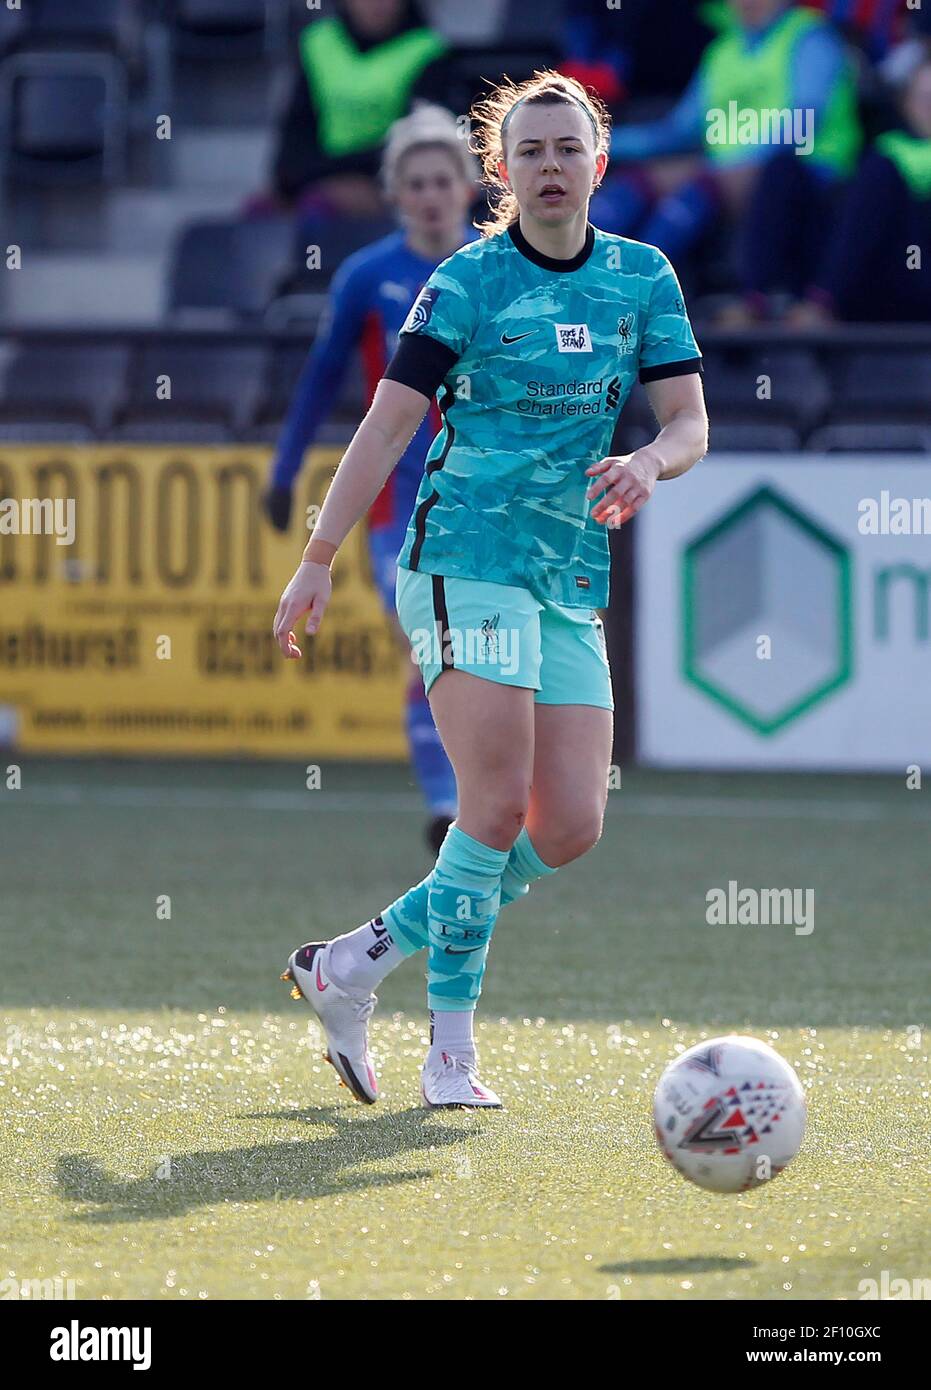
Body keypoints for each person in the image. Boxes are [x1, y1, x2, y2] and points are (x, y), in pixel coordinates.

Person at [274, 71, 708, 1110]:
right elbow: (384, 426)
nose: (551, 167)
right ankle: (451, 1054)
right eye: (531, 152)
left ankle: (348, 965)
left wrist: (651, 462)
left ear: (599, 164)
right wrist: (320, 556)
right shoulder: (464, 282)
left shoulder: (644, 276)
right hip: (461, 558)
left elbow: (689, 421)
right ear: (500, 170)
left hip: (566, 573)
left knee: (567, 827)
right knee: (495, 805)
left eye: (569, 149)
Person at [264, 105, 480, 849]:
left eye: (441, 180)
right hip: (399, 506)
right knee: (430, 641)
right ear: (395, 192)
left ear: (469, 184)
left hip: (487, 504)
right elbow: (319, 382)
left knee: (483, 656)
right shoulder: (366, 277)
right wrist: (284, 472)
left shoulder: (497, 269)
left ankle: (483, 798)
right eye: (414, 182)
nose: (429, 195)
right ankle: (448, 803)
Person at [597, 0, 861, 317]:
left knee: (694, 190)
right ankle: (579, 283)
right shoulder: (723, 50)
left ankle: (634, 299)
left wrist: (730, 164)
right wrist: (599, 143)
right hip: (722, 171)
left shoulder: (811, 38)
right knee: (636, 185)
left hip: (805, 172)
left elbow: (802, 123)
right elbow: (679, 129)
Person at [268, 0, 456, 219]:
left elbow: (422, 145)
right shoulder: (318, 43)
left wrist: (373, 182)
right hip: (319, 180)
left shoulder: (427, 51)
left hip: (387, 184)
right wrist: (325, 180)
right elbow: (294, 138)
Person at [789, 54, 931, 324]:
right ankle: (769, 300)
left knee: (881, 173)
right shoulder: (889, 151)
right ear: (906, 104)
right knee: (785, 171)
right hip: (885, 283)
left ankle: (823, 300)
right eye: (924, 99)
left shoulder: (888, 162)